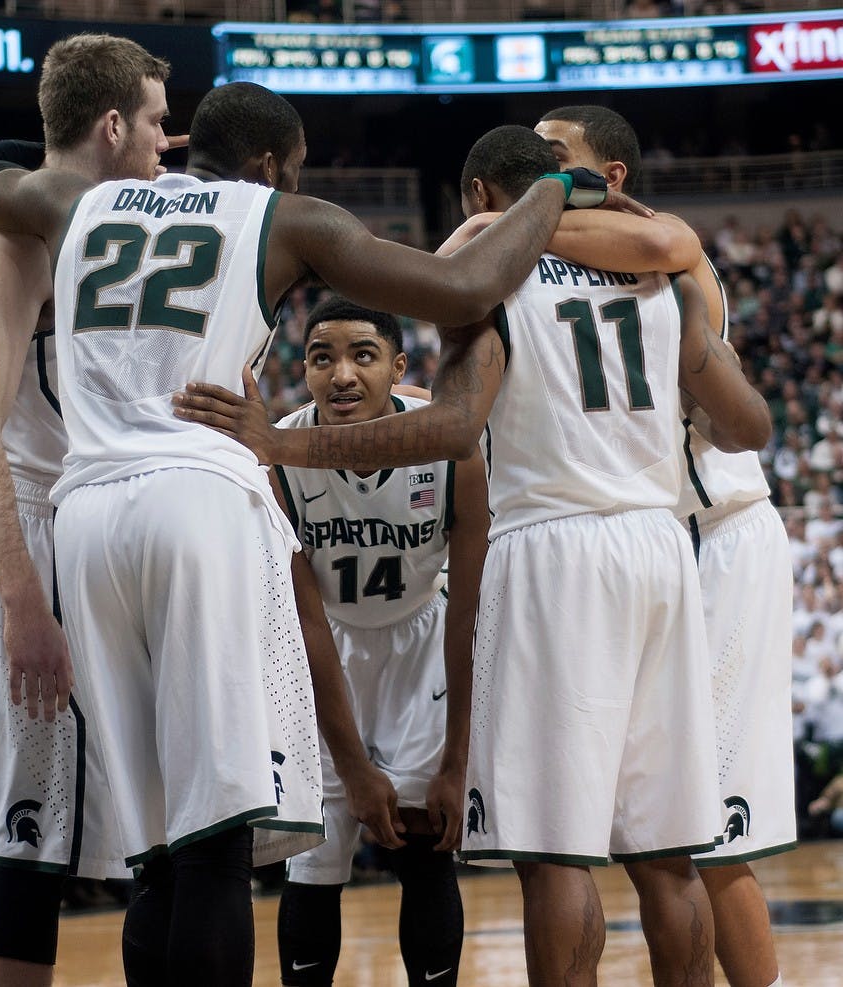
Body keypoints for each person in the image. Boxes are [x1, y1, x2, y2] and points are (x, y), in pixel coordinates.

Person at [0, 83, 629, 985]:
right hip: (200, 501)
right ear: (267, 166)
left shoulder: (74, 201)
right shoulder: (283, 214)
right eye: (288, 167)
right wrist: (552, 191)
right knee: (219, 840)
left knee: (155, 850)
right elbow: (469, 283)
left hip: (87, 517)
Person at [172, 123, 774, 987]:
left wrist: (281, 445)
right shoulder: (659, 278)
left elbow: (453, 428)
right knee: (668, 850)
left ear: (483, 200)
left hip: (553, 549)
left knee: (554, 854)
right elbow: (749, 425)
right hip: (660, 550)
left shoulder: (493, 282)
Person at [534, 104, 795, 987]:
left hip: (715, 531)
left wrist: (499, 214)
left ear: (610, 179)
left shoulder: (657, 249)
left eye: (555, 155)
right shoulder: (566, 252)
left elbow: (660, 244)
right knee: (659, 828)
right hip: (653, 542)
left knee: (712, 827)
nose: (540, 167)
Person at [0, 33, 175, 987]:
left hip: (111, 527)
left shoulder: (143, 221)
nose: (172, 138)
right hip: (32, 525)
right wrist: (20, 598)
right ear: (112, 124)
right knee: (30, 829)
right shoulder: (14, 237)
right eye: (158, 121)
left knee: (156, 826)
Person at [274, 296, 489, 987]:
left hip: (422, 638)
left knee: (425, 851)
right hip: (324, 648)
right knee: (313, 863)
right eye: (321, 357)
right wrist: (352, 767)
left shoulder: (452, 442)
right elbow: (305, 621)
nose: (341, 374)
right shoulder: (278, 452)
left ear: (397, 367)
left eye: (362, 355)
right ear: (303, 371)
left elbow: (469, 611)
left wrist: (458, 755)